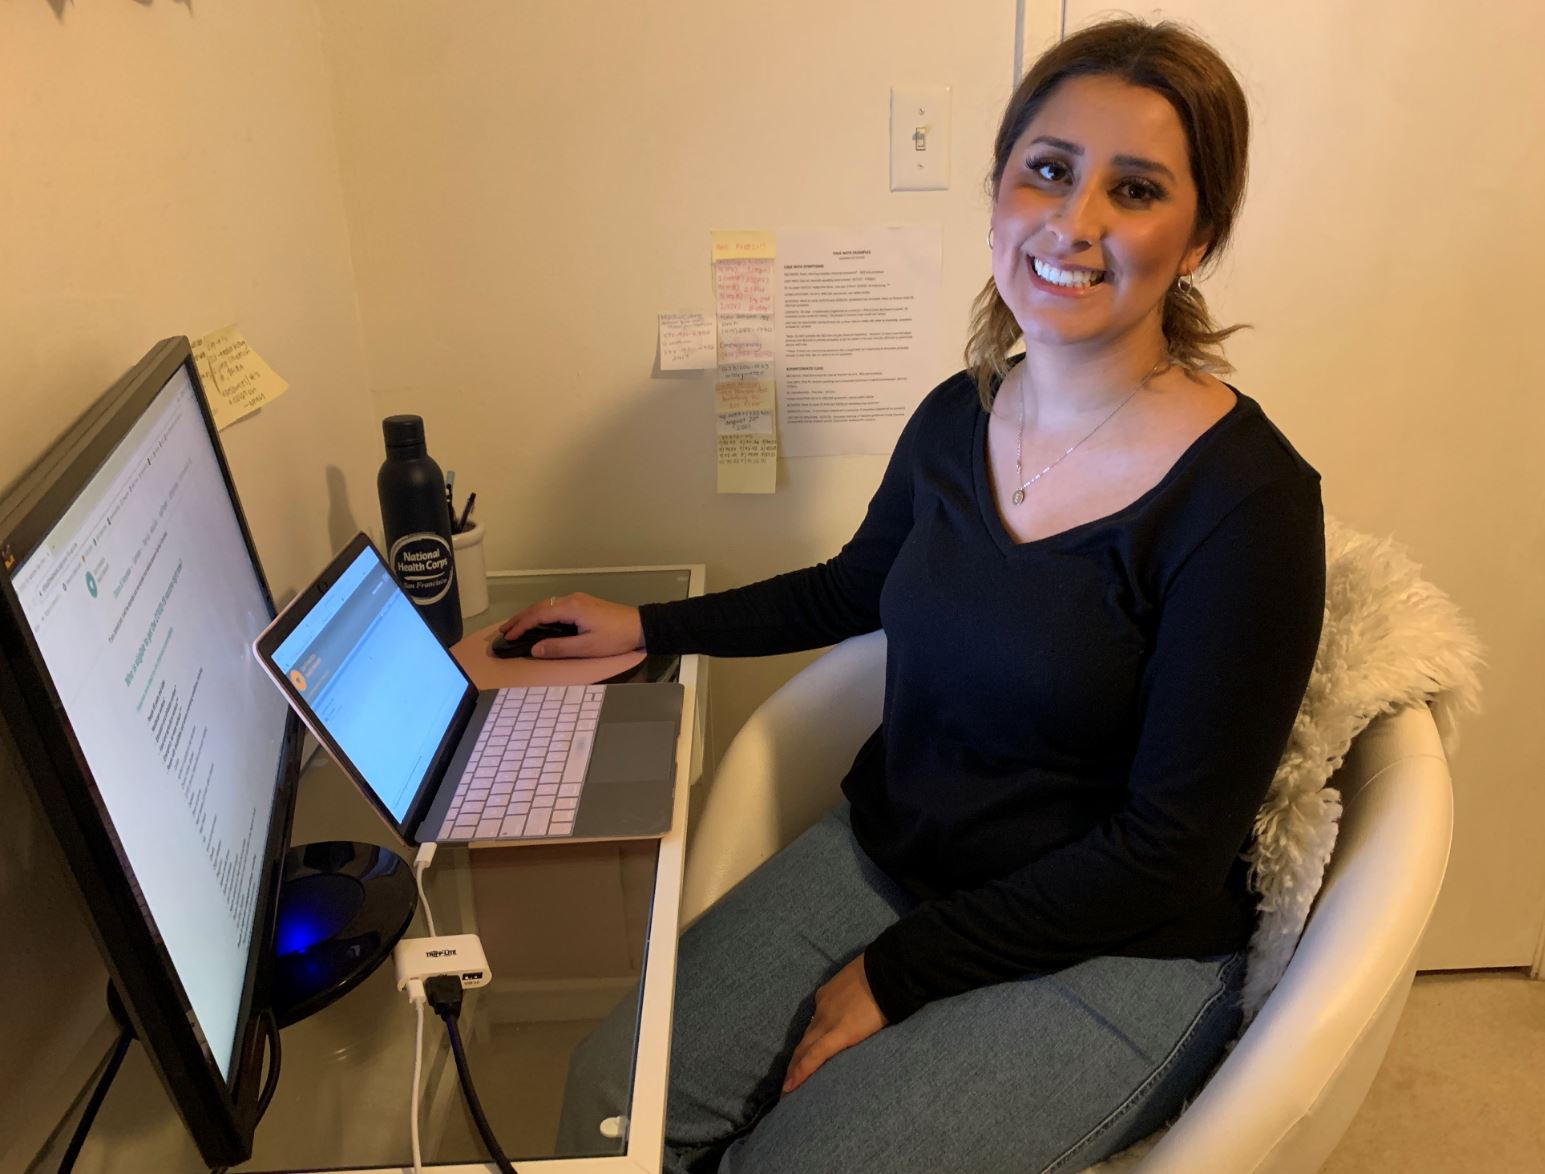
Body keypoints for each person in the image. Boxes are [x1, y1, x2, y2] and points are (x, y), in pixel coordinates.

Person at [506, 18, 1324, 1174]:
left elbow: (1167, 853)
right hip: (891, 854)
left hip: (1121, 944)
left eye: (1134, 189)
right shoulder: (960, 413)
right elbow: (854, 587)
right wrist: (649, 627)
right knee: (608, 1104)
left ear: (1197, 239)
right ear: (998, 190)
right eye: (1048, 169)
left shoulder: (1249, 505)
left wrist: (900, 971)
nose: (1075, 223)